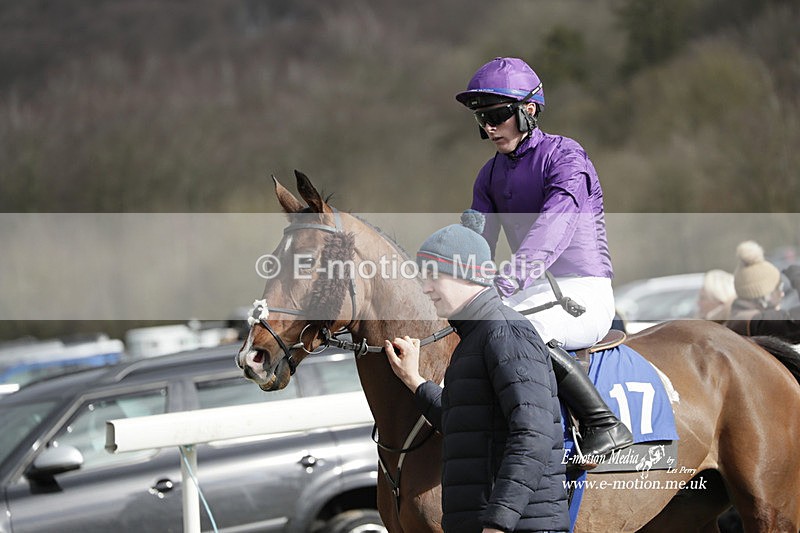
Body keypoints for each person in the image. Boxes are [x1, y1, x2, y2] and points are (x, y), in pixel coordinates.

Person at [455, 57, 632, 457]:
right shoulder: (488, 175)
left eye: (498, 115)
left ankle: (601, 421)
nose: (489, 126)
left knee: (520, 333)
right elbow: (475, 239)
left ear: (528, 110)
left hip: (584, 290)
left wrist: (504, 282)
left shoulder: (567, 157)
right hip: (530, 289)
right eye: (483, 118)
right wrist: (447, 277)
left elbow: (554, 227)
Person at [385, 211, 569, 533]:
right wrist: (414, 380)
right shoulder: (475, 338)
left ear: (464, 273)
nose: (424, 288)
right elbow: (463, 424)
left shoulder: (505, 333)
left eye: (432, 276)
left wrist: (499, 522)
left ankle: (602, 423)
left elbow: (533, 434)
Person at [726, 240, 800, 343]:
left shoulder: (740, 317)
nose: (782, 294)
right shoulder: (756, 322)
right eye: (778, 288)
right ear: (765, 296)